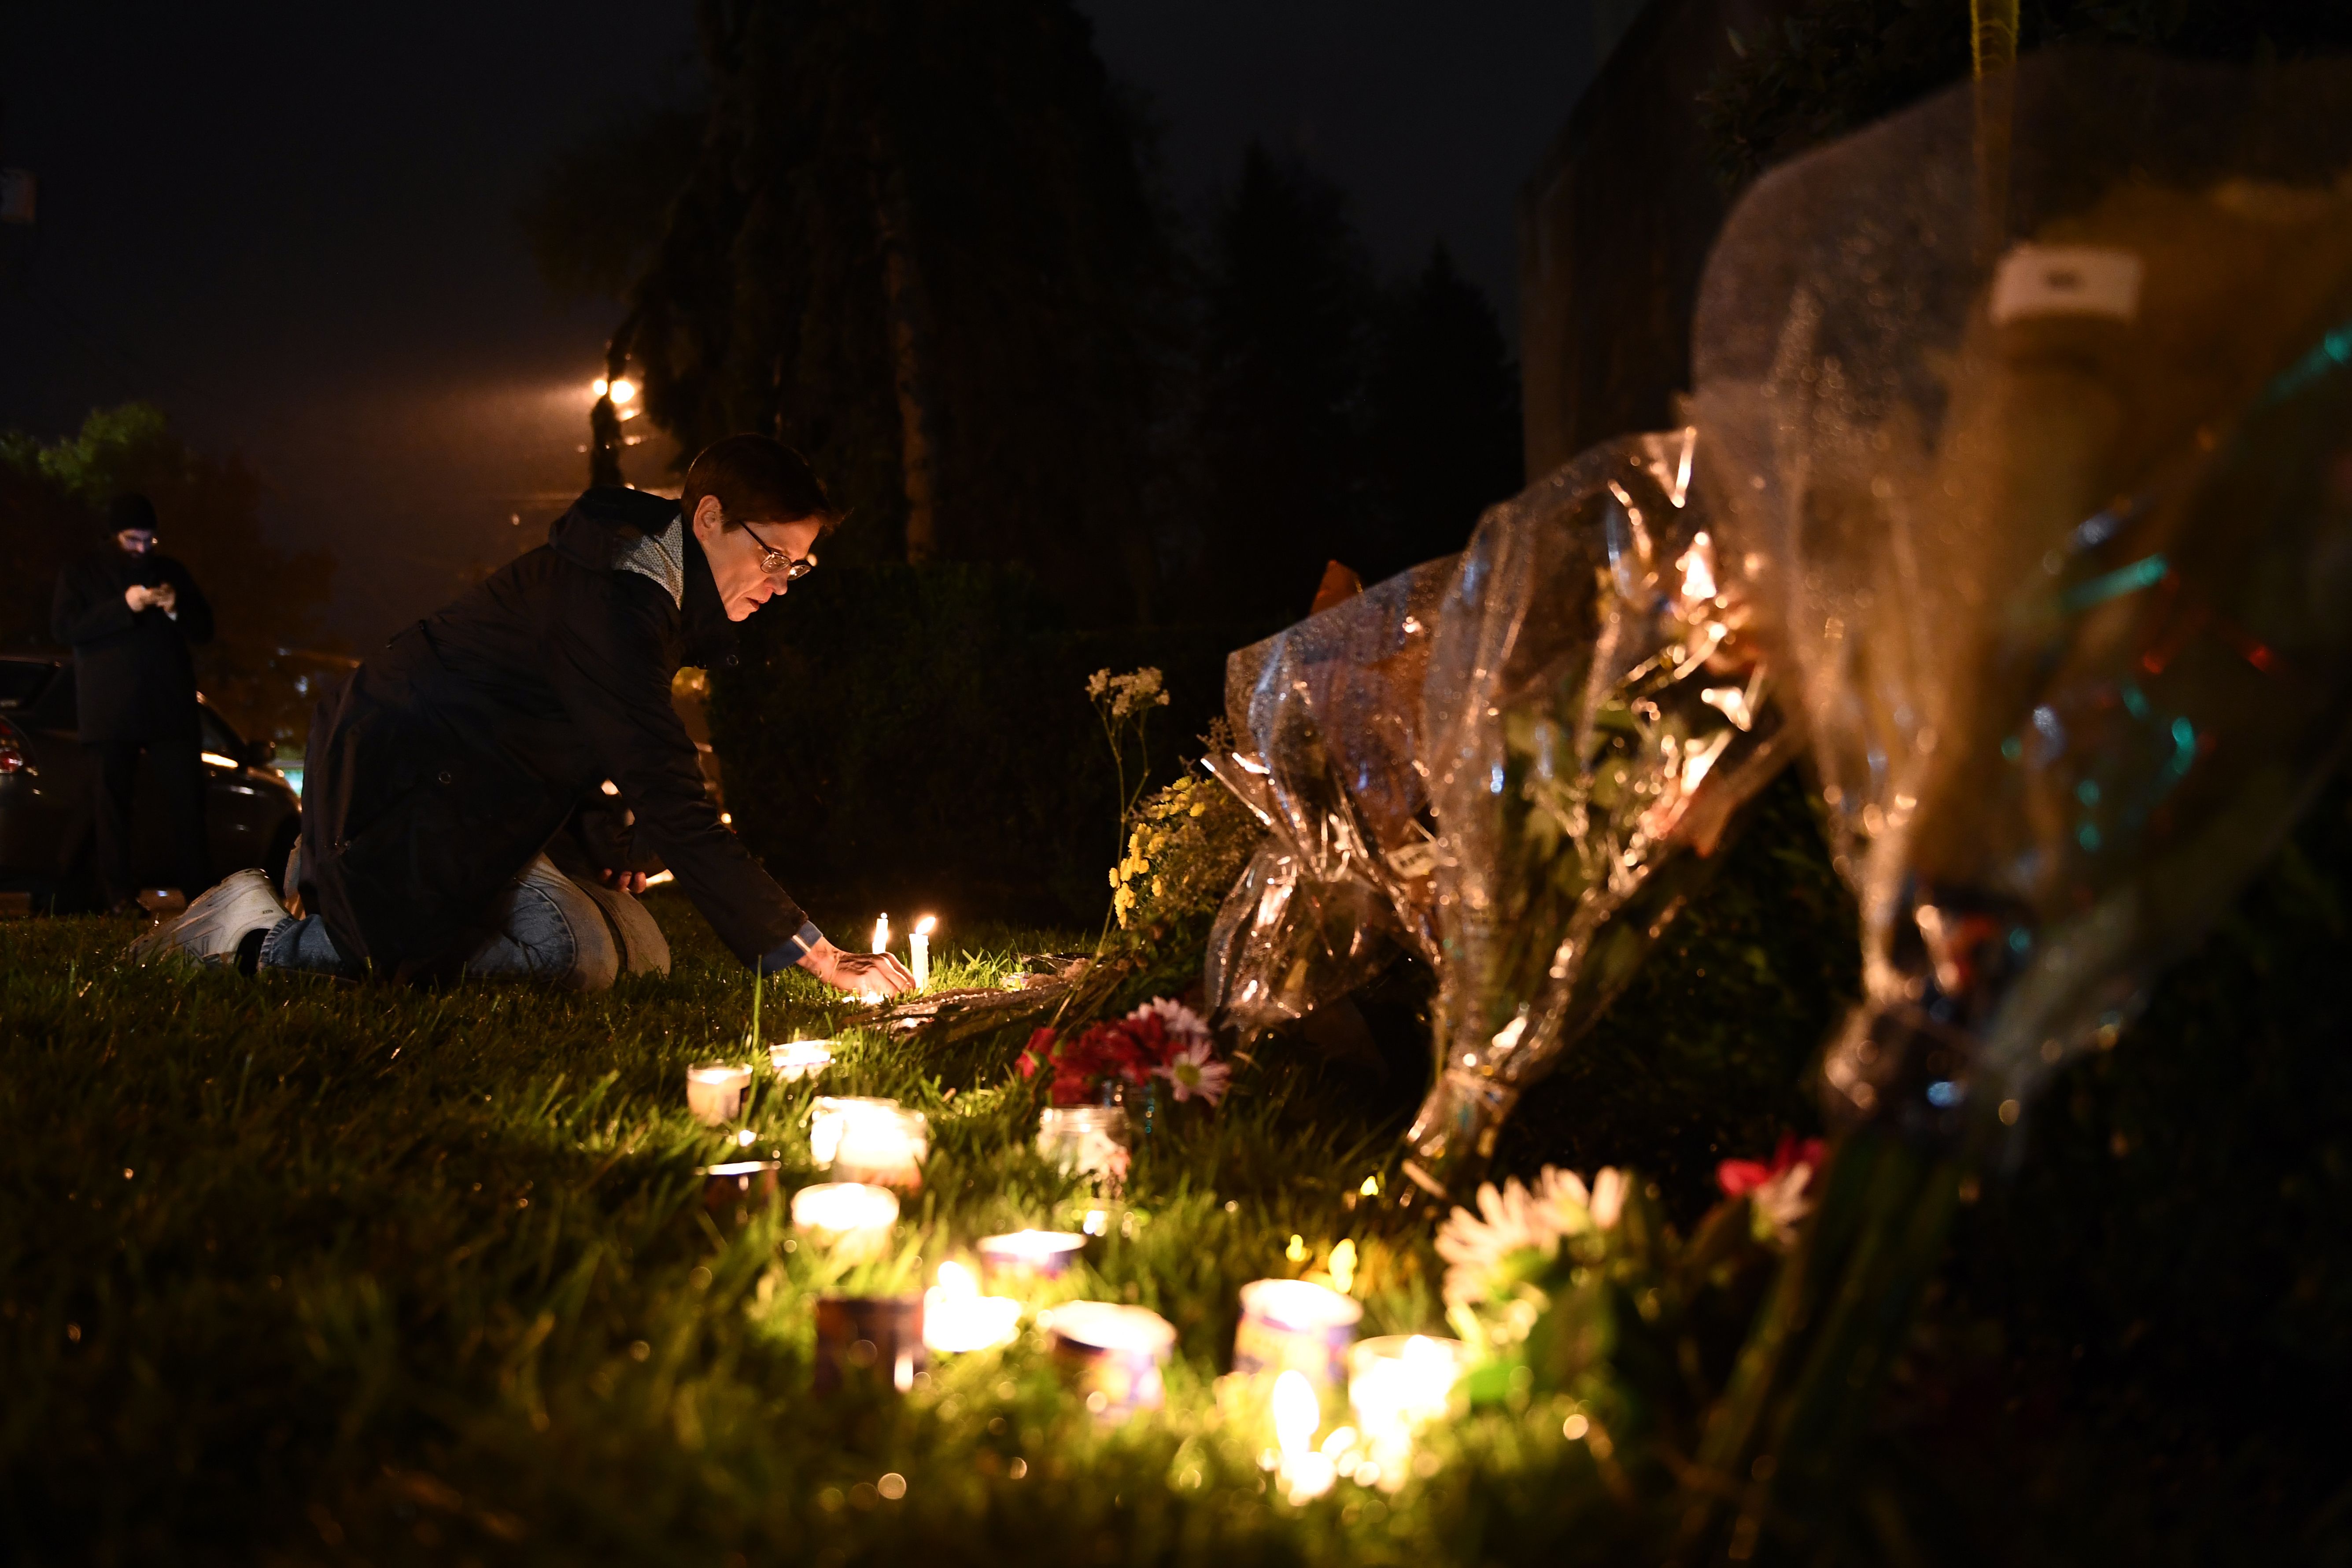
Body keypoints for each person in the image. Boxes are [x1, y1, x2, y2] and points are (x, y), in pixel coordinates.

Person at [130, 435, 914, 999]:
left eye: (798, 567)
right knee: (573, 955)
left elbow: (577, 738)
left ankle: (345, 903)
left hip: (478, 815)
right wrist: (814, 954)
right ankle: (256, 938)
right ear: (707, 517)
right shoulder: (611, 596)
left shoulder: (651, 597)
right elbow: (664, 781)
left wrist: (611, 842)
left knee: (642, 948)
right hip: (397, 807)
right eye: (775, 557)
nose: (781, 583)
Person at [52, 494, 216, 912]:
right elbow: (66, 628)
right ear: (113, 535)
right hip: (110, 708)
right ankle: (120, 895)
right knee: (112, 805)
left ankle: (201, 894)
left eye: (149, 540)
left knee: (188, 801)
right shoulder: (82, 573)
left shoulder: (170, 571)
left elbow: (205, 629)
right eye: (132, 540)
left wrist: (176, 608)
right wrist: (123, 606)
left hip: (168, 705)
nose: (142, 549)